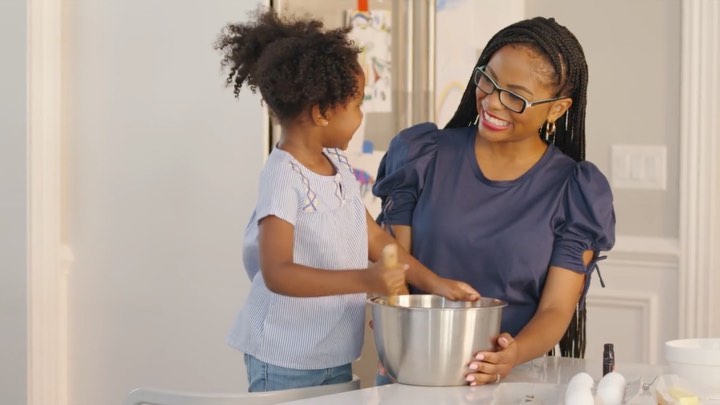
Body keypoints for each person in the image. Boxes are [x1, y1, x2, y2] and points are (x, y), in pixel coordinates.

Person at [215, 9, 479, 392]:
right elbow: (277, 272)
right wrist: (365, 279)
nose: (360, 116)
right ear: (322, 113)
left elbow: (375, 239)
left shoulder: (336, 164)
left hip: (333, 353)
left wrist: (434, 282)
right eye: (357, 105)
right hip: (284, 356)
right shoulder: (282, 176)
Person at [373, 16, 615, 386]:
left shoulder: (574, 191)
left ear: (557, 109)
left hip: (510, 381)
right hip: (413, 374)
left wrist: (511, 355)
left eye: (515, 97)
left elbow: (555, 308)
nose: (492, 102)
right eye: (488, 81)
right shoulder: (421, 156)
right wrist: (397, 334)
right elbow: (393, 265)